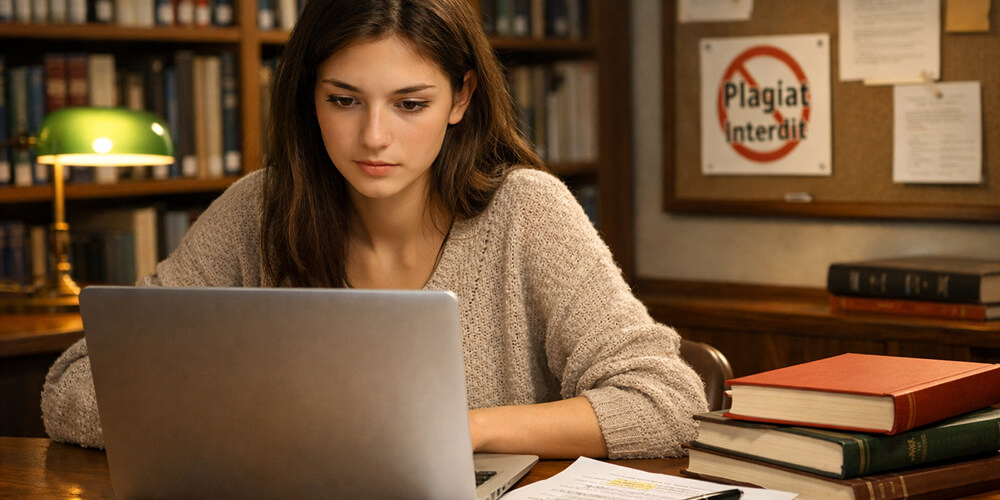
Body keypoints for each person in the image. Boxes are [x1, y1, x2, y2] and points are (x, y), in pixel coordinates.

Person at [40, 0, 708, 458]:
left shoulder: (528, 213)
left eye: (410, 103)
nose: (374, 137)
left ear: (462, 97)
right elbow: (74, 388)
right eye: (344, 101)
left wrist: (460, 431)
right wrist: (264, 427)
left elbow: (666, 401)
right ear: (310, 94)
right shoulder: (258, 209)